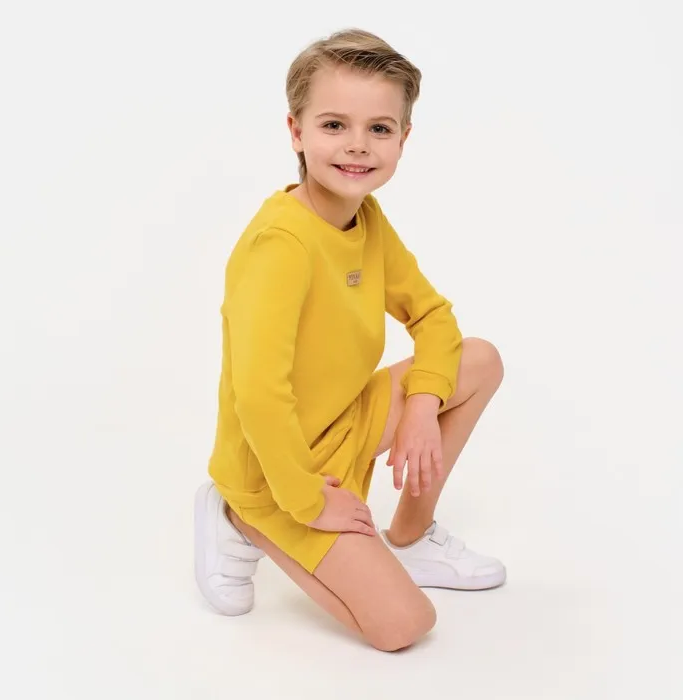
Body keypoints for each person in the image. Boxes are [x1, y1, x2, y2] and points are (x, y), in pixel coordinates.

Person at [194, 27, 507, 652]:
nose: (358, 145)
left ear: (403, 138)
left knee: (478, 361)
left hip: (344, 422)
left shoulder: (366, 218)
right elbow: (259, 396)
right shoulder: (280, 246)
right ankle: (237, 516)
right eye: (334, 125)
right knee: (403, 626)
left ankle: (411, 537)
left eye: (379, 128)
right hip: (278, 466)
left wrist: (423, 405)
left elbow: (433, 316)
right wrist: (308, 502)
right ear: (296, 132)